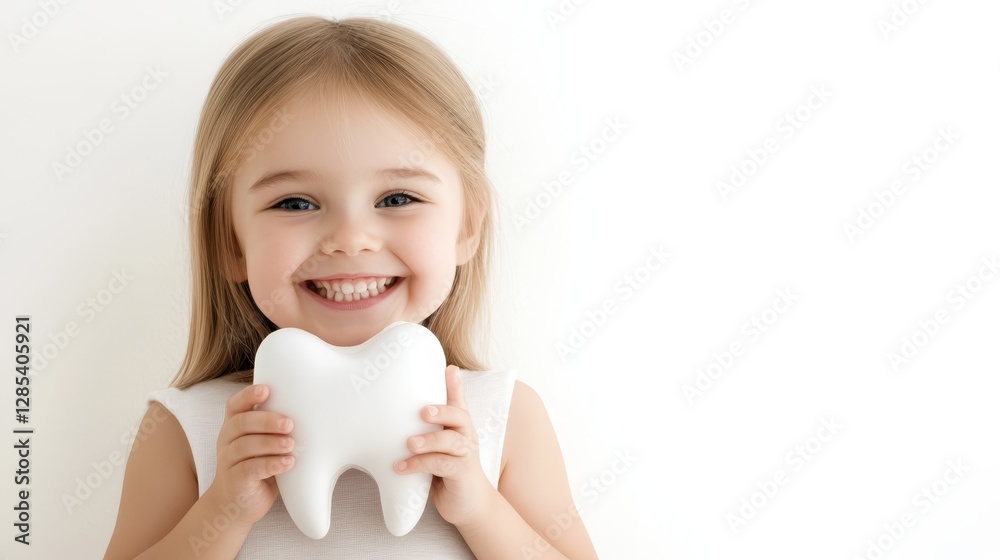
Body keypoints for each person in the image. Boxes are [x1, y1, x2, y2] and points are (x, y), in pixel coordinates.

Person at [103, 15, 598, 559]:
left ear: (466, 227)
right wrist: (226, 508)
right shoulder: (187, 428)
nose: (350, 239)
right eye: (296, 203)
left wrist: (480, 508)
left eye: (397, 198)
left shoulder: (504, 415)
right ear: (230, 242)